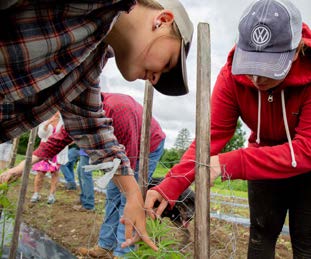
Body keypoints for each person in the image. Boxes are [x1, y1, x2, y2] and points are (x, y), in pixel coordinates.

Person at [145, 0, 311, 258]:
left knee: (306, 239)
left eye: (269, 67)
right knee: (261, 233)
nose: (256, 77)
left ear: (295, 51)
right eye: (251, 64)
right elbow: (210, 136)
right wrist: (171, 185)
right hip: (263, 154)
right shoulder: (232, 75)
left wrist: (229, 163)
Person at [0, 0, 193, 250]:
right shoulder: (117, 108)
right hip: (127, 146)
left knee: (121, 192)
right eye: (167, 63)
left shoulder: (90, 59)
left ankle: (122, 249)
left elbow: (90, 127)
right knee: (116, 191)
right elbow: (77, 133)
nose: (156, 78)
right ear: (163, 20)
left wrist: (133, 191)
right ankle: (110, 246)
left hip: (149, 145)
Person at [0, 92, 166, 257]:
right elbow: (52, 145)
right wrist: (20, 168)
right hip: (120, 150)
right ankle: (105, 245)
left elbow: (128, 161)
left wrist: (130, 192)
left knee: (128, 199)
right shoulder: (77, 115)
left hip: (147, 146)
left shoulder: (117, 109)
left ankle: (123, 253)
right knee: (112, 195)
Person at [31, 113, 61, 204]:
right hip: (45, 149)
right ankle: (36, 194)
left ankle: (51, 196)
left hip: (58, 152)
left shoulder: (64, 121)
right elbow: (41, 135)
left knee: (55, 173)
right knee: (40, 172)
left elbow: (69, 137)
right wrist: (48, 123)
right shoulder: (45, 119)